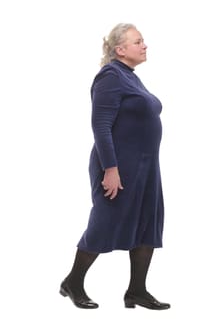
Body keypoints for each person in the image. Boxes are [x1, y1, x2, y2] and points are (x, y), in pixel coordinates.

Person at [59, 23, 170, 310]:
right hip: (119, 166)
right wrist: (111, 168)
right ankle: (73, 282)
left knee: (148, 222)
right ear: (120, 50)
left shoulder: (130, 77)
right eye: (138, 41)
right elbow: (101, 125)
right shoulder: (110, 76)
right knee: (105, 222)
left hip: (146, 167)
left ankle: (136, 291)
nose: (144, 46)